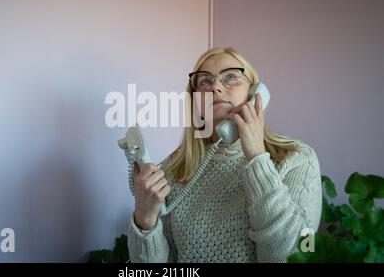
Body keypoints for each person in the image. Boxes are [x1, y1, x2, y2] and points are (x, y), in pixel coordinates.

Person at [127, 47, 322, 262]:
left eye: (230, 77)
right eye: (205, 82)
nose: (216, 87)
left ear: (255, 93)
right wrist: (145, 223)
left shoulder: (298, 160)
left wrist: (258, 159)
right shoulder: (171, 172)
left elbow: (302, 252)